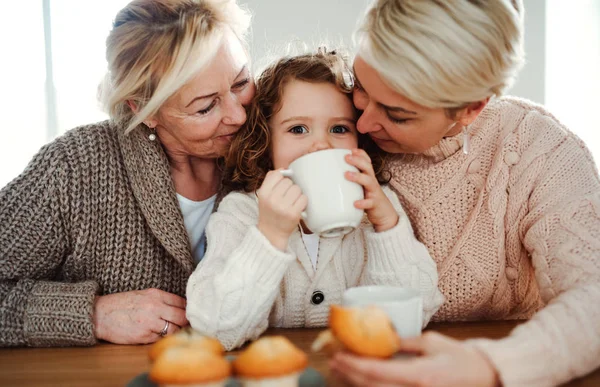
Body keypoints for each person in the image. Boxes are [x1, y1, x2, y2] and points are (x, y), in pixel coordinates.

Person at [329, 0, 600, 386]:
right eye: (360, 87)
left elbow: (595, 300)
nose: (363, 120)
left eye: (398, 114)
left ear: (472, 109)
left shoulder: (543, 152)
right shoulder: (334, 122)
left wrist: (490, 365)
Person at [0, 0, 255, 347]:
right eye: (206, 106)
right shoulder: (75, 168)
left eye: (241, 83)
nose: (238, 116)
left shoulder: (272, 140)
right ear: (143, 108)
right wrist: (92, 314)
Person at [185, 48, 444, 350]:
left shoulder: (378, 209)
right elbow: (214, 330)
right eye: (298, 129)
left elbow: (417, 312)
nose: (321, 144)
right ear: (266, 142)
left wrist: (387, 227)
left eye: (339, 128)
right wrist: (269, 236)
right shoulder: (242, 212)